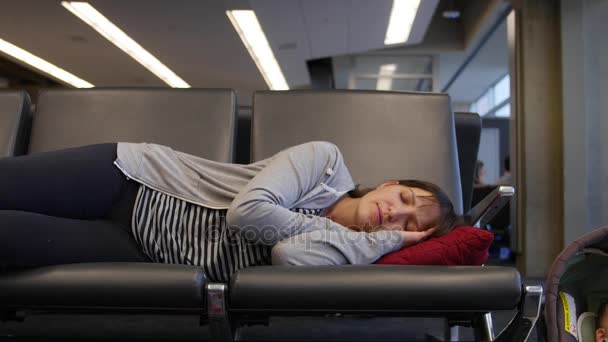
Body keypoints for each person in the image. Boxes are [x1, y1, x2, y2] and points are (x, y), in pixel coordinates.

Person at [0, 141, 458, 282]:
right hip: (134, 181)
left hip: (141, 248)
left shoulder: (352, 253)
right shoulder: (326, 162)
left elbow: (290, 259)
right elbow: (247, 214)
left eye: (408, 226)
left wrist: (372, 242)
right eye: (403, 200)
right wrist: (327, 227)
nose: (394, 215)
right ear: (390, 184)